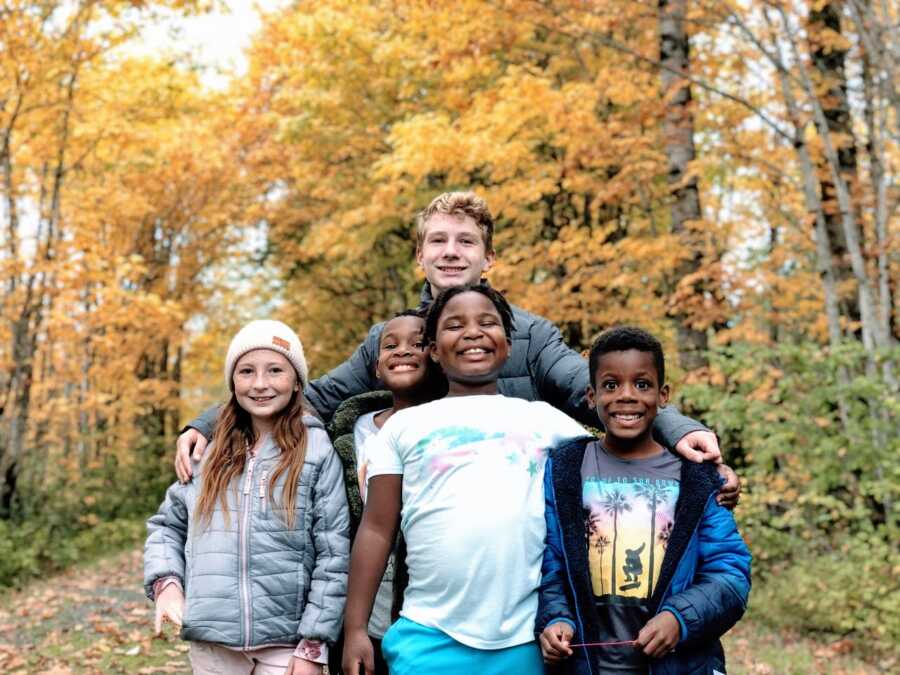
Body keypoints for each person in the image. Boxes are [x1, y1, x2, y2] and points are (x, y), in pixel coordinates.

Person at [173, 193, 734, 496]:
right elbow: (310, 397)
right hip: (408, 525)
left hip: (511, 526)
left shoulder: (530, 335)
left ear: (487, 258)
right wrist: (206, 424)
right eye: (437, 241)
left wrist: (681, 430)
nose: (451, 251)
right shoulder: (390, 341)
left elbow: (598, 393)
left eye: (466, 241)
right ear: (420, 256)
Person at [342, 284, 591, 675]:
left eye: (487, 322)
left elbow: (622, 454)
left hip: (526, 640)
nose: (472, 332)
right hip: (427, 636)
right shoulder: (404, 427)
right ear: (435, 350)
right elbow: (376, 530)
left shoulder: (545, 421)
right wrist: (355, 628)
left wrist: (699, 457)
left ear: (507, 346)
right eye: (455, 325)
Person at [537, 326, 751, 675]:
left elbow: (730, 573)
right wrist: (555, 618)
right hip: (587, 666)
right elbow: (550, 564)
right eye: (610, 385)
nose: (626, 396)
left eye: (642, 384)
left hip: (679, 665)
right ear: (590, 397)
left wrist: (679, 619)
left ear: (663, 395)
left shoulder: (697, 478)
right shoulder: (564, 470)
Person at [143, 320, 350, 675]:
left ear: (297, 381)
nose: (260, 384)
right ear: (232, 382)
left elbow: (334, 555)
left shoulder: (316, 450)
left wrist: (313, 645)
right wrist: (166, 584)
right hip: (212, 641)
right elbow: (166, 526)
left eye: (275, 370)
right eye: (246, 371)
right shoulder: (206, 452)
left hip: (288, 644)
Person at [327, 309, 446, 674]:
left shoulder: (451, 428)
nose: (403, 351)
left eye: (417, 343)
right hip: (365, 608)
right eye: (390, 345)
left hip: (431, 611)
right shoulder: (349, 433)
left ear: (438, 355)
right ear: (376, 368)